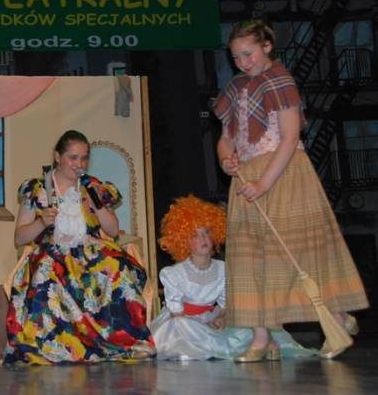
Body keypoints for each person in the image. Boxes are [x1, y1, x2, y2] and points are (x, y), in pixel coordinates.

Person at [213, 20, 368, 361]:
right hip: (247, 177)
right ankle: (261, 338)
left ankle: (336, 319)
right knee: (250, 259)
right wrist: (226, 160)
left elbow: (289, 138)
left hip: (282, 174)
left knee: (299, 253)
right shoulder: (235, 87)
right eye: (236, 57)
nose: (242, 62)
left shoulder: (280, 81)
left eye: (248, 54)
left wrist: (264, 183)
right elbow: (225, 138)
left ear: (267, 46)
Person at [3, 129, 155, 365]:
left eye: (84, 158)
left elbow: (113, 231)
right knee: (46, 270)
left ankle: (124, 342)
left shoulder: (92, 186)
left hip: (90, 251)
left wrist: (98, 205)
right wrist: (41, 222)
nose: (79, 164)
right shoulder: (38, 189)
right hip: (52, 252)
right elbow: (20, 237)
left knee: (117, 267)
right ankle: (51, 346)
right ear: (57, 157)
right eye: (73, 158)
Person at [150, 195, 316, 361]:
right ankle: (204, 346)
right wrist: (200, 325)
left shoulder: (223, 269)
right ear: (182, 240)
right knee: (180, 326)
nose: (203, 239)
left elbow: (225, 306)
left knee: (249, 324)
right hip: (183, 320)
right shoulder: (174, 274)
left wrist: (221, 318)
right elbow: (176, 315)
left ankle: (261, 345)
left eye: (207, 232)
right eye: (195, 235)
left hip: (210, 317)